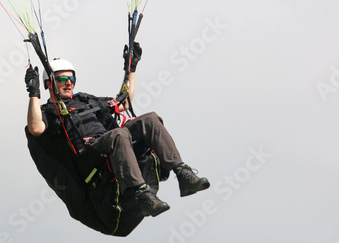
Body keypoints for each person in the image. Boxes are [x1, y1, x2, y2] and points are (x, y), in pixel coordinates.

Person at [24, 43, 210, 236]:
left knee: (150, 119)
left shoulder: (87, 100)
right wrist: (33, 94)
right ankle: (142, 194)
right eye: (63, 79)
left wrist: (131, 68)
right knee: (118, 135)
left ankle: (183, 173)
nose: (69, 83)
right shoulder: (47, 112)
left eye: (72, 78)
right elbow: (36, 128)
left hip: (115, 145)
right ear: (49, 83)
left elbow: (124, 102)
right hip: (93, 159)